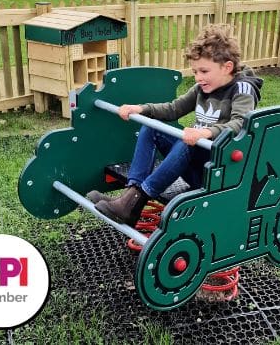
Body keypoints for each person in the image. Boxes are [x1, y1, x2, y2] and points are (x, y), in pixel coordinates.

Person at [87, 24, 263, 227]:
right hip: (198, 164)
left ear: (227, 67)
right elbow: (174, 108)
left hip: (220, 172)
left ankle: (138, 199)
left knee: (187, 141)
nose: (198, 78)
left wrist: (206, 132)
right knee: (153, 127)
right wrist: (142, 109)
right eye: (195, 71)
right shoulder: (201, 88)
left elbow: (241, 123)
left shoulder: (242, 88)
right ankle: (130, 196)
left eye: (204, 71)